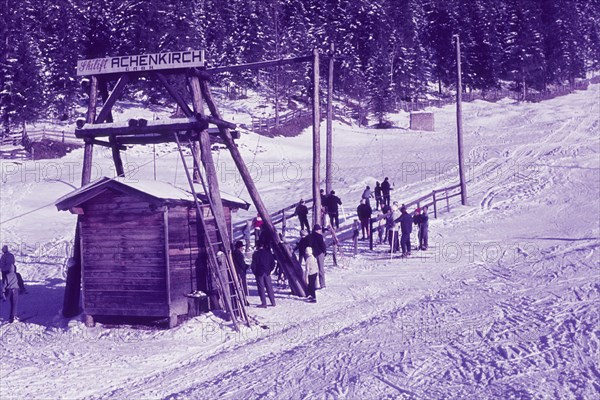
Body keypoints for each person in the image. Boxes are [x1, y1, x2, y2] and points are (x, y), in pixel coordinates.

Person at [250, 242, 276, 308]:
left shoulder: (255, 254)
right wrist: (269, 270)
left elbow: (253, 265)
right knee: (269, 287)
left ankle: (264, 303)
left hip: (259, 273)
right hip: (267, 273)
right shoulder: (268, 253)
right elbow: (273, 263)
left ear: (257, 247)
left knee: (261, 288)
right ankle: (273, 302)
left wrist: (255, 273)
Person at [307, 224, 327, 289]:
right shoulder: (320, 236)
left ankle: (314, 284)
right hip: (320, 253)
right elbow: (323, 245)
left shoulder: (310, 236)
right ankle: (322, 284)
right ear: (318, 230)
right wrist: (324, 252)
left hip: (313, 254)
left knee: (313, 270)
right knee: (321, 269)